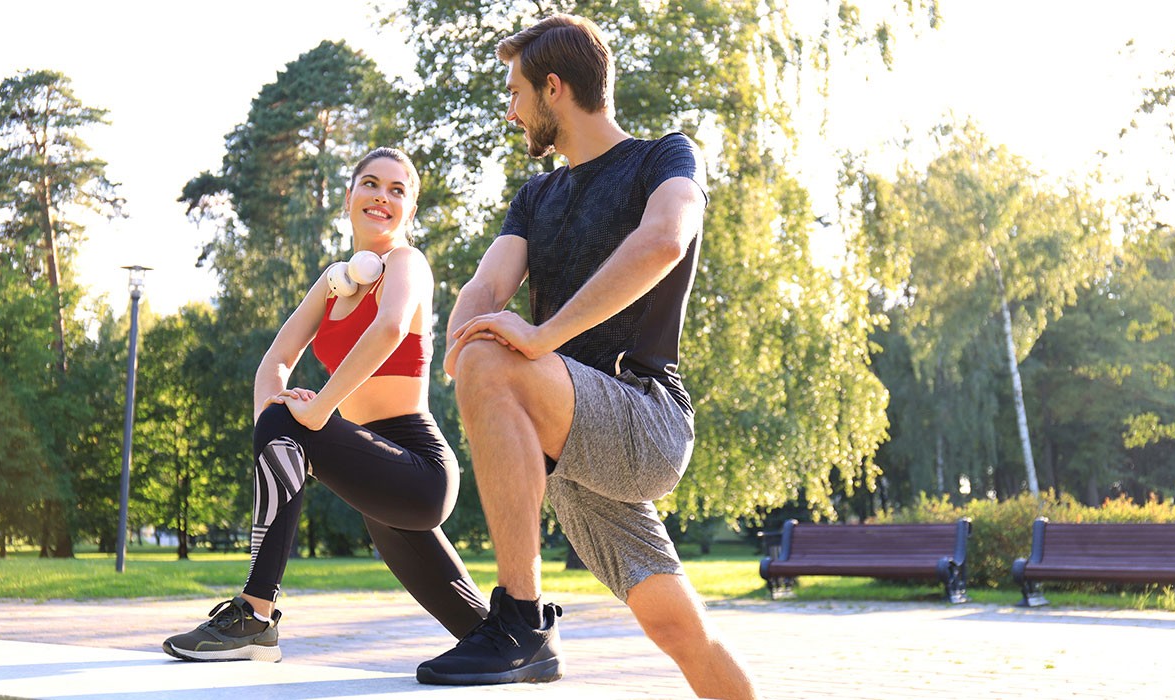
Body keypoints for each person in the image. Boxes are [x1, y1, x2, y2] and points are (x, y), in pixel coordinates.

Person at [416, 14, 759, 700]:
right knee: (682, 633)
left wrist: (537, 339)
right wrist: (459, 345)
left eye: (515, 94)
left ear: (554, 87)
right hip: (573, 445)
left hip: (644, 419)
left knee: (493, 354)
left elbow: (665, 239)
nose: (510, 112)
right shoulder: (537, 196)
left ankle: (520, 623)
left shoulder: (663, 158)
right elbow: (487, 286)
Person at [162, 147, 489, 662]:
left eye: (398, 190)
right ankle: (515, 641)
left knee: (285, 418)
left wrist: (316, 411)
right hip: (376, 477)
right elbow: (274, 359)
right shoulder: (333, 284)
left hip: (420, 467)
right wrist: (273, 442)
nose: (382, 196)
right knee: (479, 634)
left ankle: (256, 612)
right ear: (349, 196)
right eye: (371, 184)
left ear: (411, 211)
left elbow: (389, 328)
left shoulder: (408, 263)